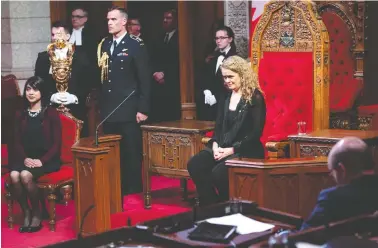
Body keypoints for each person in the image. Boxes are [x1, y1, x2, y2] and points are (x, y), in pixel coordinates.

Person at [188, 56, 266, 206]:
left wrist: (231, 150)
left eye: (231, 76)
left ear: (242, 75)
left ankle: (228, 206)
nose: (227, 81)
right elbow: (218, 127)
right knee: (195, 164)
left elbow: (256, 133)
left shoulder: (255, 98)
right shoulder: (225, 96)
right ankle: (211, 205)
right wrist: (216, 145)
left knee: (219, 173)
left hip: (246, 149)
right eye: (225, 77)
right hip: (222, 145)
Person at [98, 6, 151, 195]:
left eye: (113, 19)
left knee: (131, 152)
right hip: (110, 108)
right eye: (108, 20)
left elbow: (144, 79)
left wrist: (143, 108)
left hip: (129, 108)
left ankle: (133, 190)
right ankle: (116, 187)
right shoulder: (104, 45)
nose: (109, 23)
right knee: (113, 152)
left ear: (123, 22)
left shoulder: (135, 45)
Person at [9, 76, 62, 233]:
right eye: (28, 89)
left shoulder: (51, 113)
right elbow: (16, 141)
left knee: (25, 175)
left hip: (46, 159)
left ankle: (38, 213)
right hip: (25, 158)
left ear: (42, 92)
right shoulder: (20, 114)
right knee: (13, 175)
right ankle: (27, 211)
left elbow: (56, 144)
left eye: (35, 89)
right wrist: (25, 158)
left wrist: (41, 161)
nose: (31, 92)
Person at [301, 137, 378, 230]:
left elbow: (306, 234)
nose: (332, 176)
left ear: (342, 169)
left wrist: (283, 235)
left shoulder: (332, 197)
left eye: (332, 171)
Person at [34, 21, 94, 137]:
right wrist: (51, 97)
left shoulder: (81, 57)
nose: (55, 37)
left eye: (59, 34)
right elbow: (38, 83)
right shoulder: (43, 58)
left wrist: (75, 97)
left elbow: (88, 82)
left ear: (67, 36)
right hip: (50, 109)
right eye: (53, 34)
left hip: (76, 110)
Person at [200, 26, 237, 121]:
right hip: (210, 105)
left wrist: (216, 97)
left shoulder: (235, 58)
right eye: (216, 38)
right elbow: (206, 77)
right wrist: (206, 91)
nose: (218, 41)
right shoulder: (213, 57)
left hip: (226, 104)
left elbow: (234, 84)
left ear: (230, 39)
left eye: (222, 38)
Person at [150, 9, 181, 122]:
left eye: (168, 18)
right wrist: (155, 73)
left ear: (176, 20)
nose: (165, 20)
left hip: (173, 84)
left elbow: (179, 61)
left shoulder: (181, 37)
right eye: (164, 18)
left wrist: (165, 75)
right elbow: (152, 57)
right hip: (157, 84)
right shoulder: (159, 36)